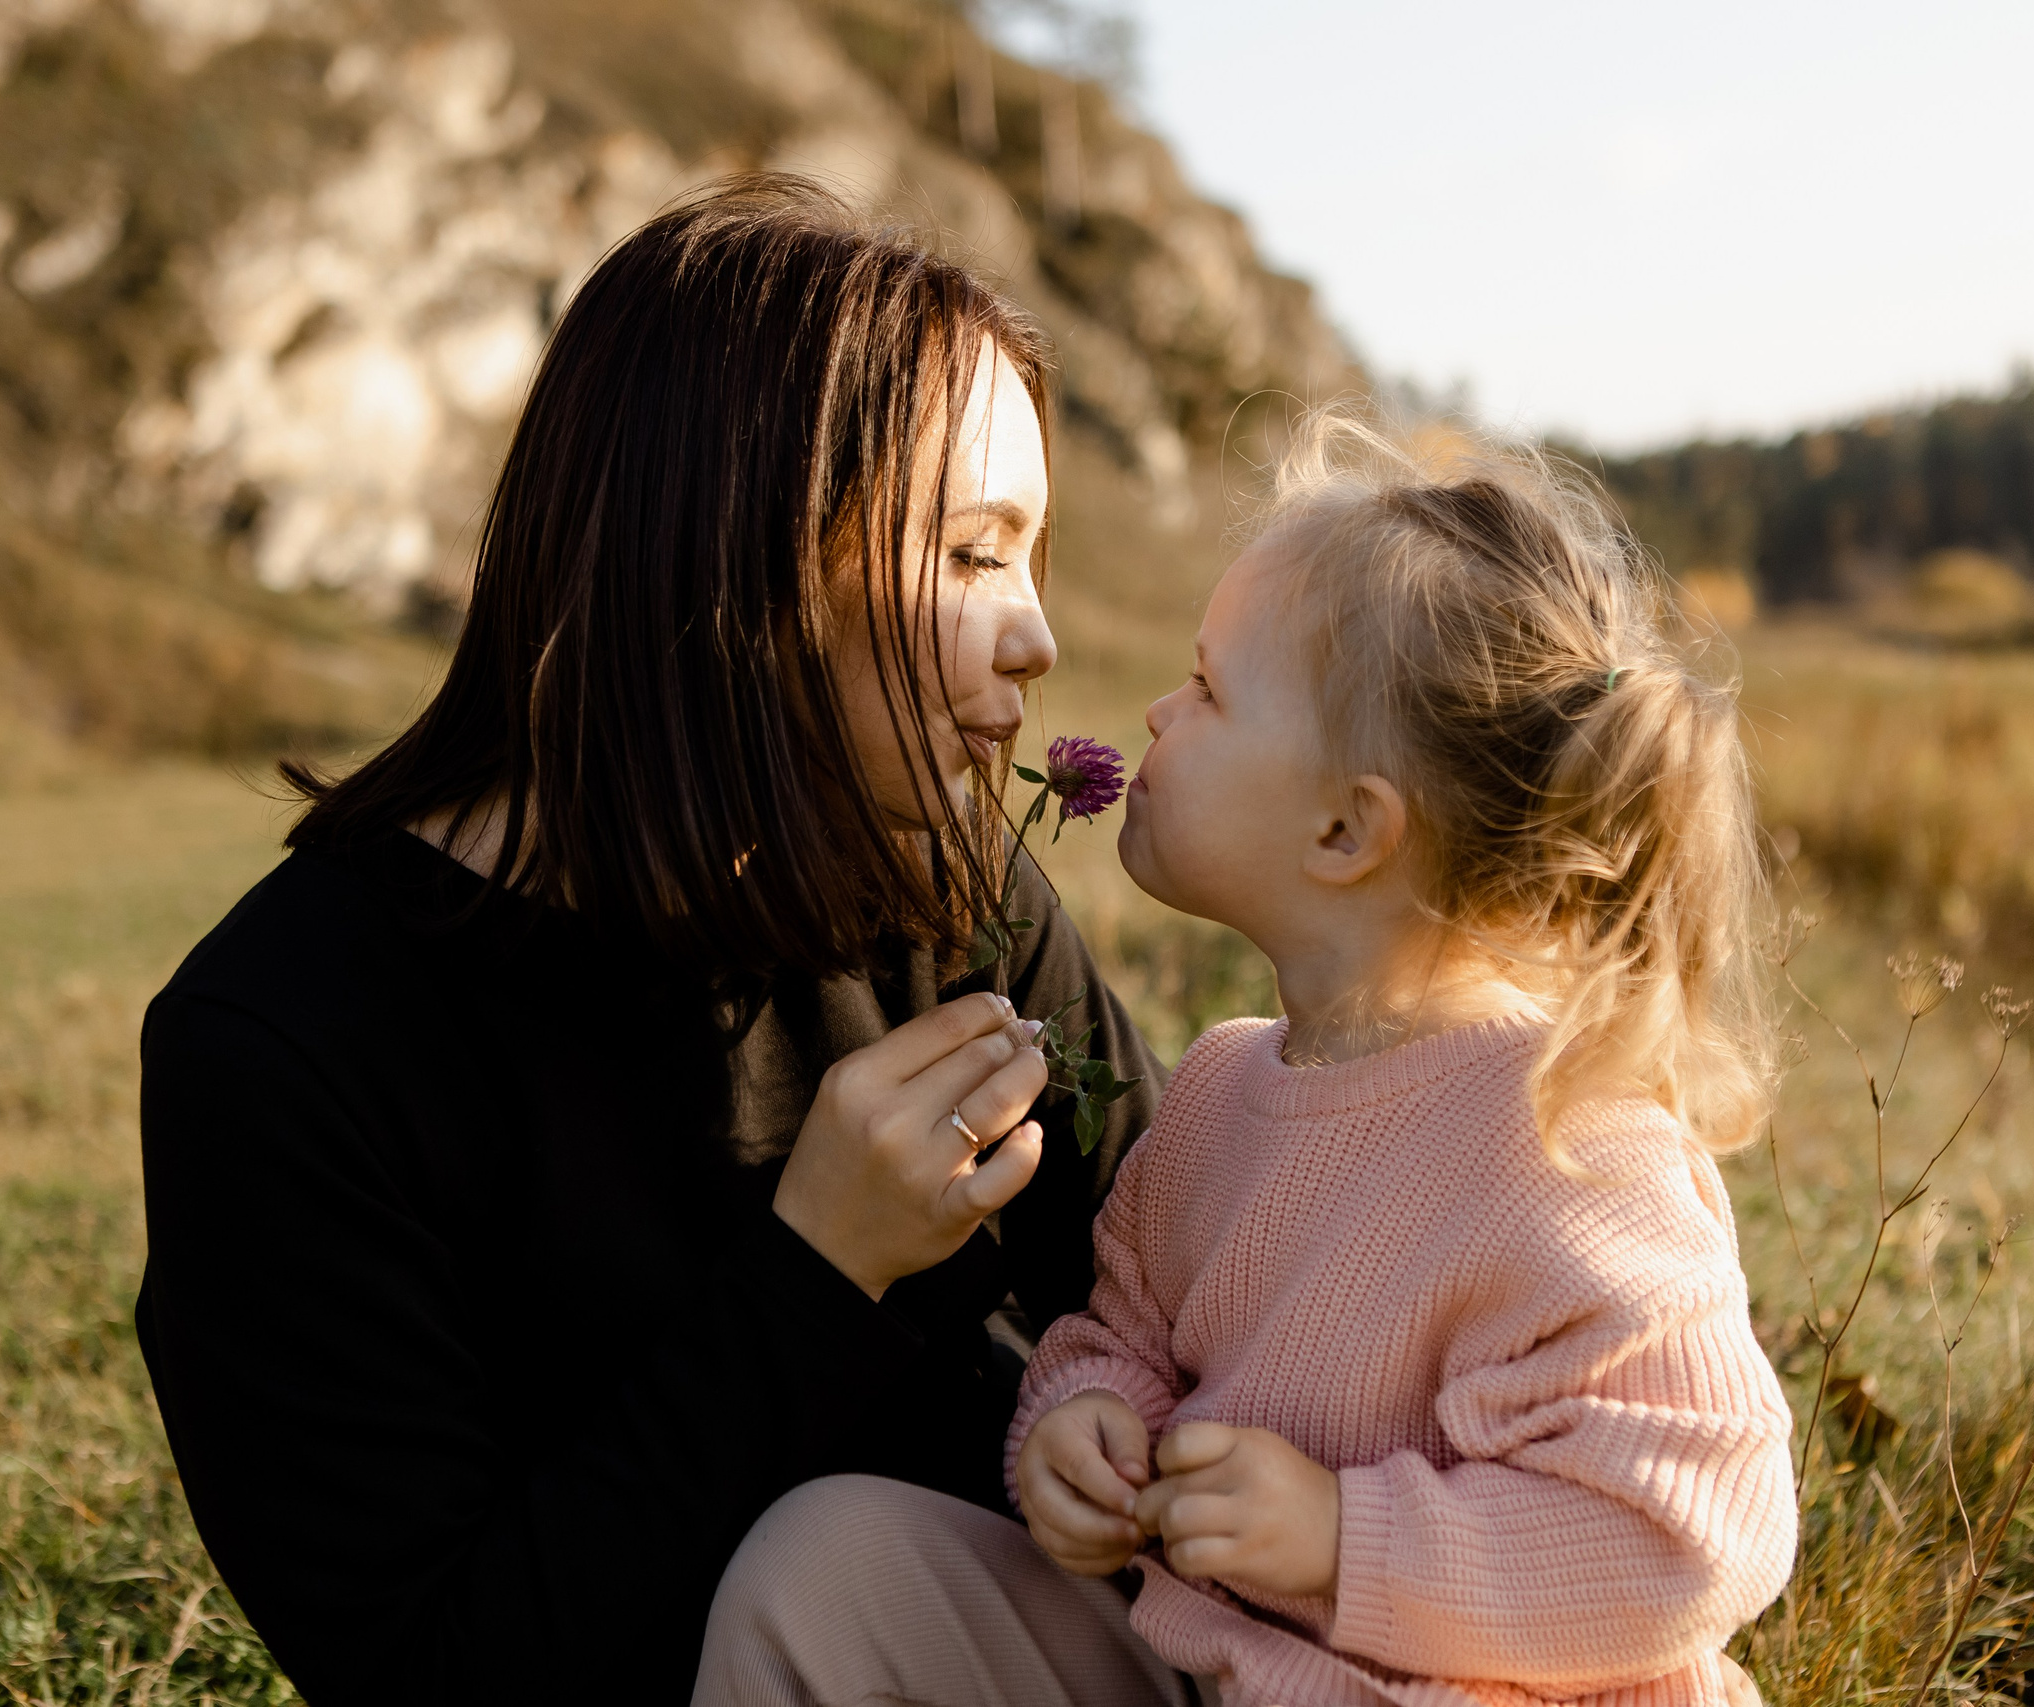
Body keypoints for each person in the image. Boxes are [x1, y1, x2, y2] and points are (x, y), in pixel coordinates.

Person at [133, 177, 1164, 1704]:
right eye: (966, 555)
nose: (1036, 635)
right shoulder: (286, 1044)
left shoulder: (951, 882)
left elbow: (1190, 1279)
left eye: (1033, 552)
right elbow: (429, 1665)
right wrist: (820, 1270)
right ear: (734, 557)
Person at [697, 414, 1795, 1706]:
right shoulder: (1225, 1092)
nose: (1159, 708)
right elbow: (1125, 1336)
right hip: (1215, 1667)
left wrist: (1344, 1538)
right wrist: (1081, 1427)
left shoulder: (1572, 1139)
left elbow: (1693, 1532)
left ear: (1345, 828)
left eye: (1210, 689)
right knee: (825, 1568)